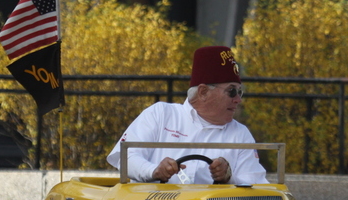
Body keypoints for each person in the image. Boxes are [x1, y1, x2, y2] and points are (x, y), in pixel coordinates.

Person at [107, 46, 268, 185]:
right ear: (203, 92)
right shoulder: (160, 113)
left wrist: (229, 178)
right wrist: (154, 171)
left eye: (240, 92)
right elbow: (125, 157)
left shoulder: (241, 135)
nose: (238, 99)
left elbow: (256, 187)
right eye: (232, 91)